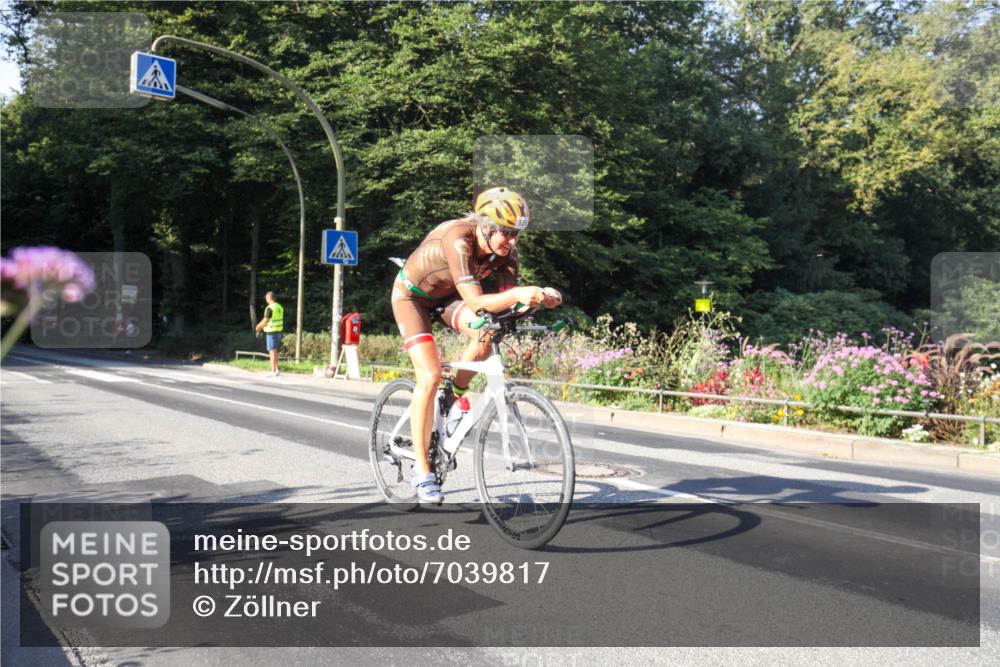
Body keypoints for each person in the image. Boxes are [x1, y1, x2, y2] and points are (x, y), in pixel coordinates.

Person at [390, 187, 562, 503]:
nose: (512, 241)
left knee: (487, 336)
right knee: (428, 376)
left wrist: (541, 299)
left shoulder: (507, 252)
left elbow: (508, 302)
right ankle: (423, 471)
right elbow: (478, 299)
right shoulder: (459, 238)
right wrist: (518, 293)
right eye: (507, 233)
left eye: (517, 234)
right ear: (486, 226)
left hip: (448, 299)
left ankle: (451, 397)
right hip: (412, 297)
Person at [255, 291, 284, 377]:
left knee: (272, 351)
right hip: (279, 330)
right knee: (275, 350)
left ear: (268, 298)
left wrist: (258, 326)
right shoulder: (279, 306)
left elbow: (265, 320)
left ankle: (273, 370)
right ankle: (277, 370)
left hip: (272, 331)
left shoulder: (270, 308)